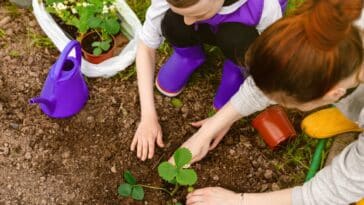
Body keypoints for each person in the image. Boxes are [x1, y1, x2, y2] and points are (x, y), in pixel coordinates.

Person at [173, 0, 364, 204]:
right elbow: (274, 78)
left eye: (288, 102)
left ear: (333, 94)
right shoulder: (332, 19)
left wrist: (239, 201)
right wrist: (211, 127)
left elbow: (333, 190)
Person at [131, 0, 288, 161]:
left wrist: (225, 120)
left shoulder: (265, 6)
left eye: (197, 14)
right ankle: (188, 56)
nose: (188, 22)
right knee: (173, 21)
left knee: (235, 37)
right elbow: (146, 46)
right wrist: (148, 117)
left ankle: (236, 69)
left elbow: (269, 68)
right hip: (208, 25)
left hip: (243, 32)